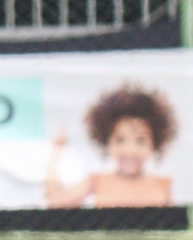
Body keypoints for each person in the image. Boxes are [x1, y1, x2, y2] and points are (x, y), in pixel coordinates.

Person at [45, 84, 177, 208]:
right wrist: (56, 151)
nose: (130, 150)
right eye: (120, 140)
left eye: (141, 141)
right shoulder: (97, 182)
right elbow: (55, 202)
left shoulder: (163, 186)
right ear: (107, 142)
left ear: (154, 143)